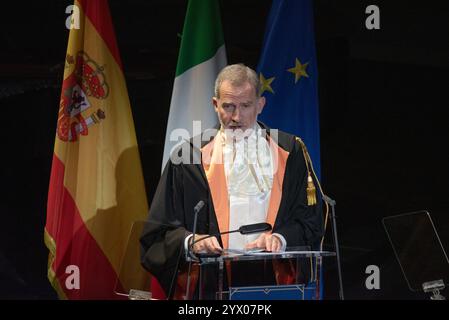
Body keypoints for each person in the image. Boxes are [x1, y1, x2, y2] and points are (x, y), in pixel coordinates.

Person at [140, 63, 324, 299]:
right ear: (215, 105)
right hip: (210, 284)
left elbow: (312, 220)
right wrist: (190, 240)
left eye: (246, 106)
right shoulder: (188, 157)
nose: (237, 117)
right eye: (228, 106)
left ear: (260, 104)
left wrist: (280, 237)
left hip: (274, 281)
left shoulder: (290, 152)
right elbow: (157, 233)